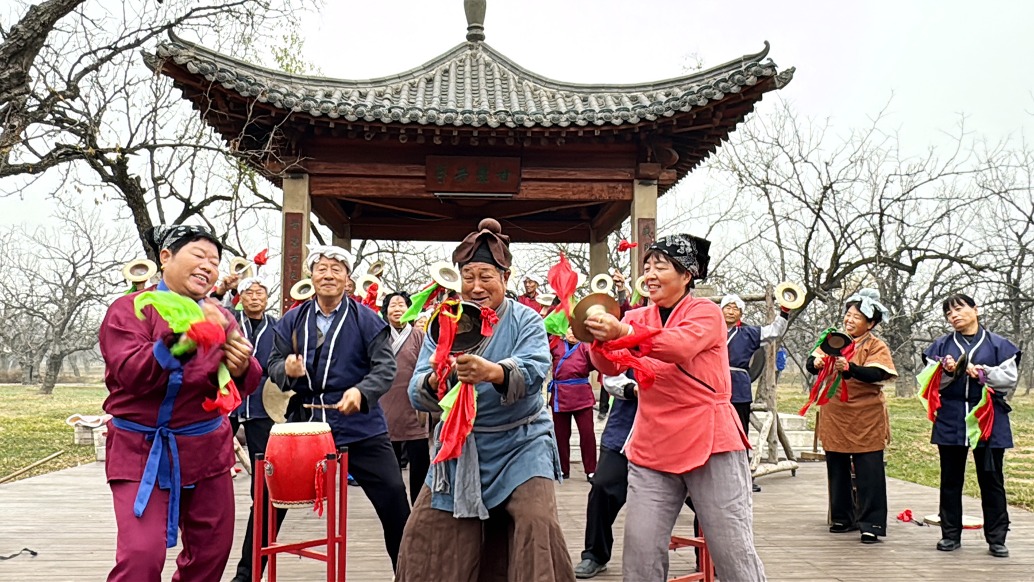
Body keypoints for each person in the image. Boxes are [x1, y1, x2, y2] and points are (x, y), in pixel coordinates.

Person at [396, 218, 573, 582]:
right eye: (468, 276)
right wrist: (436, 377)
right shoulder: (444, 321)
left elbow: (536, 369)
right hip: (460, 446)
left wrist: (492, 372)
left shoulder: (527, 319)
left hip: (521, 441)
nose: (476, 287)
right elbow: (416, 389)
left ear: (505, 279)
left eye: (486, 276)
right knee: (426, 529)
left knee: (536, 520)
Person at [584, 233, 765, 581]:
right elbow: (611, 366)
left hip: (710, 440)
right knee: (640, 553)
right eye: (647, 266)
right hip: (653, 444)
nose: (650, 273)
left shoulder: (706, 312)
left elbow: (679, 346)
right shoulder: (638, 315)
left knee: (732, 550)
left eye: (660, 266)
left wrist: (621, 329)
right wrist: (599, 341)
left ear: (686, 275)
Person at [99, 224, 261, 582]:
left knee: (211, 553)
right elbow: (132, 372)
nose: (208, 266)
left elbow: (248, 380)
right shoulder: (132, 309)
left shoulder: (221, 315)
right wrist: (189, 339)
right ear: (166, 256)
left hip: (206, 449)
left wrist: (240, 367)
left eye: (215, 261)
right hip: (141, 449)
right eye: (198, 255)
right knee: (141, 556)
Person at [267, 244, 410, 571]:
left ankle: (409, 574)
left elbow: (385, 368)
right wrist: (284, 369)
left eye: (336, 269)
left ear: (347, 278)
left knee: (393, 496)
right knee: (269, 501)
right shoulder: (293, 319)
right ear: (311, 275)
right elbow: (272, 361)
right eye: (322, 268)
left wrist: (362, 392)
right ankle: (246, 575)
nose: (328, 275)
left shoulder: (367, 320)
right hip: (305, 424)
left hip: (361, 426)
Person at [923, 293, 1020, 558]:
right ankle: (950, 534)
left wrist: (981, 372)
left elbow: (1008, 379)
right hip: (951, 416)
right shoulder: (940, 346)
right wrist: (947, 371)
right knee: (950, 479)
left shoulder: (1000, 345)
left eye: (958, 309)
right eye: (948, 313)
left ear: (976, 309)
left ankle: (997, 538)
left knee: (991, 479)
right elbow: (928, 382)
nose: (953, 316)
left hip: (988, 417)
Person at [805, 289, 897, 544]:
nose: (850, 320)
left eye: (857, 317)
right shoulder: (834, 340)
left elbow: (878, 374)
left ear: (871, 323)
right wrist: (817, 364)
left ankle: (871, 523)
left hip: (866, 414)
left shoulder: (876, 345)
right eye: (848, 314)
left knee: (869, 470)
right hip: (835, 411)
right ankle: (843, 517)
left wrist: (852, 368)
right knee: (837, 465)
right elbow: (811, 362)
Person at [226, 276, 287, 582]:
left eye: (260, 292)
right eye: (249, 292)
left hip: (265, 411)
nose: (254, 297)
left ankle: (248, 572)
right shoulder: (229, 322)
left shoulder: (277, 327)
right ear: (240, 297)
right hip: (226, 404)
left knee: (265, 488)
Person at [720, 293, 790, 493]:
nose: (731, 311)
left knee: (740, 433)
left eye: (735, 308)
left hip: (739, 388)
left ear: (741, 313)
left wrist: (784, 312)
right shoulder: (710, 330)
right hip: (713, 387)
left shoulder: (749, 333)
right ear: (721, 310)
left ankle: (743, 477)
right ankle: (711, 479)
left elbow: (774, 331)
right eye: (728, 307)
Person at [379, 291, 431, 505]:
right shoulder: (379, 335)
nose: (398, 309)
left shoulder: (419, 336)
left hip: (414, 404)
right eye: (393, 305)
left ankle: (419, 506)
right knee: (388, 463)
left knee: (419, 461)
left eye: (402, 305)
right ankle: (396, 505)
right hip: (385, 402)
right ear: (385, 311)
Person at [549, 327, 599, 481]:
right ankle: (562, 469)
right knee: (561, 435)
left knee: (587, 434)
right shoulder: (555, 344)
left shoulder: (586, 347)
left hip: (581, 395)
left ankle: (591, 469)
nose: (572, 333)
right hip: (560, 394)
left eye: (575, 330)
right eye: (570, 330)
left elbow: (595, 364)